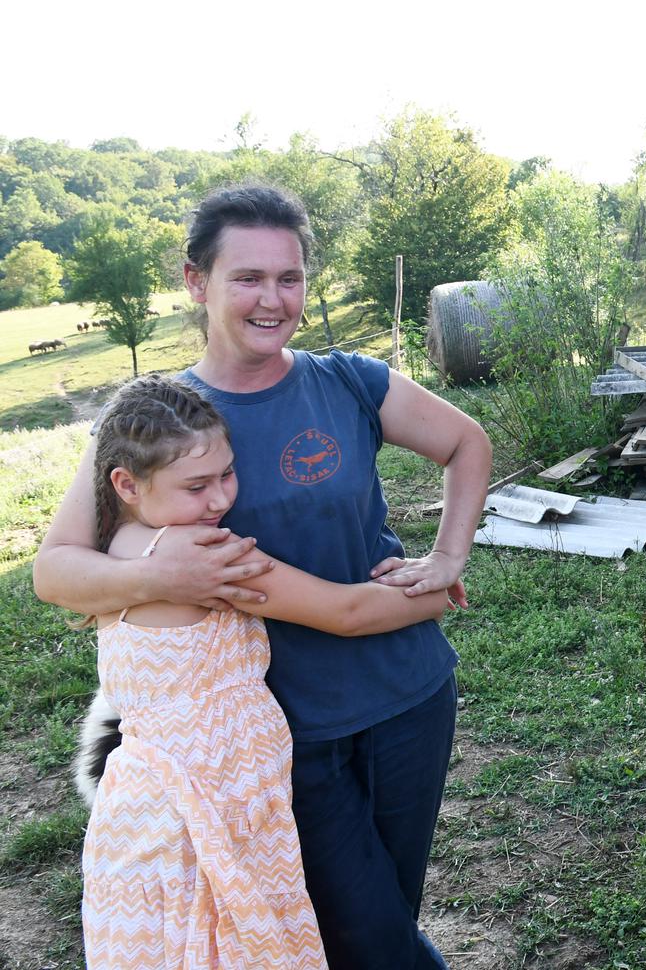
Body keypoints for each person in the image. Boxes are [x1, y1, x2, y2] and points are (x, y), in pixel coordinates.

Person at [35, 184, 493, 969]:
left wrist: (448, 557)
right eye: (247, 277)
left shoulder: (348, 380)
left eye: (290, 277)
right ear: (195, 281)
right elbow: (55, 571)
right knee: (361, 938)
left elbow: (467, 443)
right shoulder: (157, 422)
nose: (272, 299)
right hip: (284, 734)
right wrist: (156, 570)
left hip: (410, 700)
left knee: (388, 907)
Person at [72, 374, 454, 969]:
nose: (221, 499)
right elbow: (346, 612)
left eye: (227, 474)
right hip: (209, 802)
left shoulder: (112, 545)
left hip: (155, 803)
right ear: (126, 483)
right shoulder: (200, 560)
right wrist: (437, 590)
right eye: (196, 485)